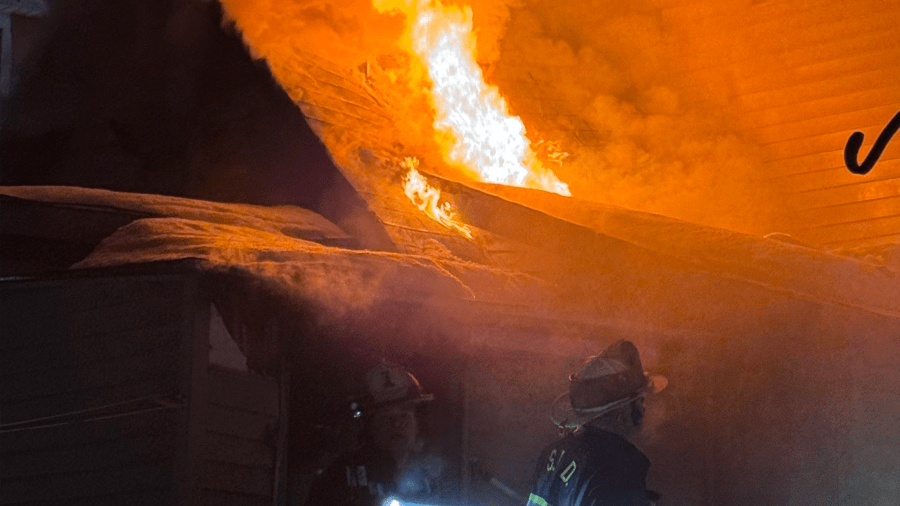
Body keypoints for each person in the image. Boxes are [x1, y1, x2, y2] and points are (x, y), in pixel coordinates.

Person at [526, 340, 665, 506]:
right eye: (640, 400)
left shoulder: (552, 453)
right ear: (623, 410)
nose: (644, 409)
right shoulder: (617, 466)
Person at [305, 362, 436, 506]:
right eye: (385, 417)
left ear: (418, 422)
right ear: (369, 426)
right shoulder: (339, 477)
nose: (396, 424)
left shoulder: (433, 476)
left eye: (404, 415)